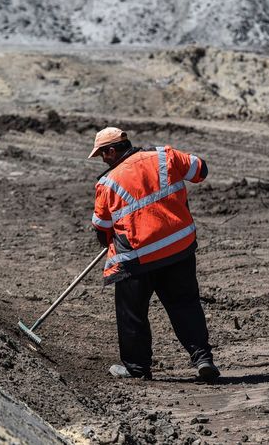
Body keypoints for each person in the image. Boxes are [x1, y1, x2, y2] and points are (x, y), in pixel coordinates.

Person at [88, 127, 219, 382]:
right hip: (178, 249)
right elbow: (201, 170)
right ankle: (203, 358)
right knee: (185, 304)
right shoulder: (164, 156)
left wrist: (113, 239)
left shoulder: (106, 183)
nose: (102, 160)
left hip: (137, 259)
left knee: (132, 312)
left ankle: (137, 368)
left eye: (102, 155)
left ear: (112, 150)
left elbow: (102, 228)